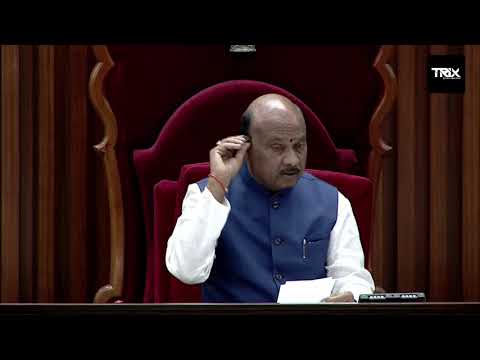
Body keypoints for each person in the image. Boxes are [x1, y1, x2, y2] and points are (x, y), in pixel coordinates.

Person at [165, 93, 375, 303]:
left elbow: (352, 277)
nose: (293, 160)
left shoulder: (335, 202)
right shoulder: (206, 195)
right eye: (277, 148)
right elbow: (187, 271)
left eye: (299, 146)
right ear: (246, 148)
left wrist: (352, 295)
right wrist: (217, 185)